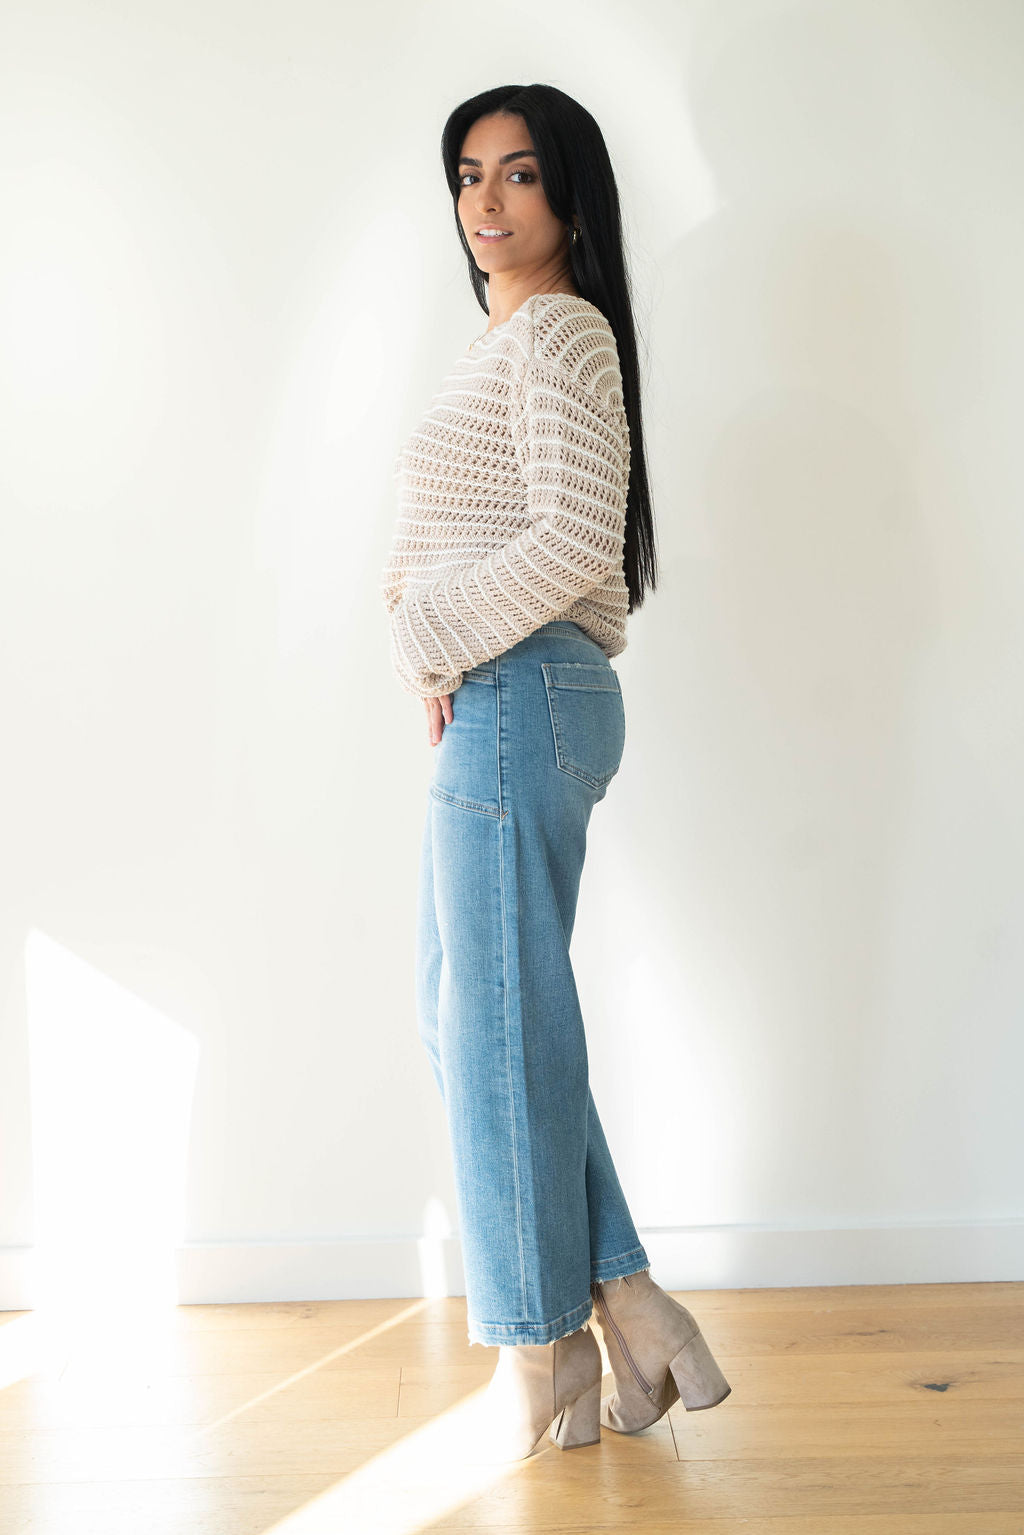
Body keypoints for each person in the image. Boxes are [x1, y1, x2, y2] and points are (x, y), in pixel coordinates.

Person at [379, 83, 730, 1463]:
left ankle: (541, 1352)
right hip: (510, 693)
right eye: (469, 174)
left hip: (524, 691)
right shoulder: (510, 337)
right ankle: (628, 1309)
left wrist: (433, 638)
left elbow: (577, 539)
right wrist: (433, 646)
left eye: (519, 173)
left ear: (570, 197)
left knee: (494, 1023)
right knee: (476, 1015)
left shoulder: (559, 331)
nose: (487, 199)